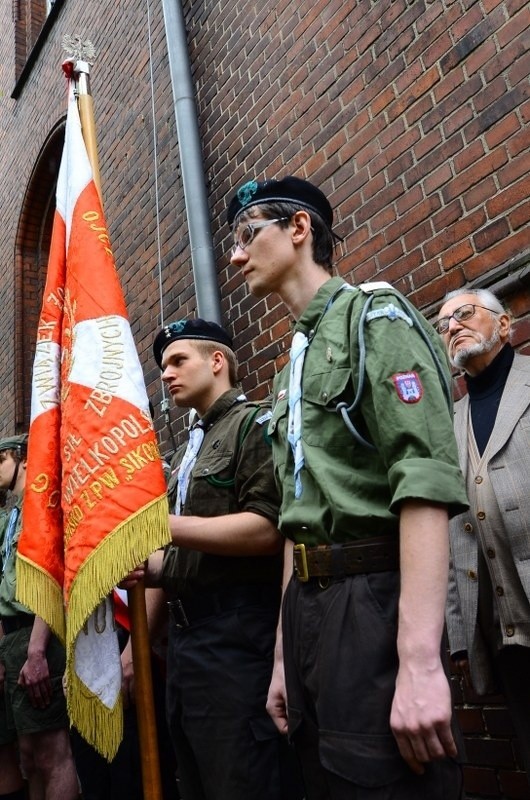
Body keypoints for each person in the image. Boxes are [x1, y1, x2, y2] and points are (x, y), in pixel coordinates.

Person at [227, 175, 469, 799]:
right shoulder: (290, 370)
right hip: (307, 609)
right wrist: (283, 654)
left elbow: (423, 481)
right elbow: (294, 518)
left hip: (371, 597)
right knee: (325, 775)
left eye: (249, 234)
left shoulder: (374, 320)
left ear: (299, 230)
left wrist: (418, 662)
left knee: (380, 777)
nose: (235, 255)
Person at [127, 318, 304, 800]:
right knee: (197, 781)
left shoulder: (253, 424)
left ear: (218, 362)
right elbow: (190, 555)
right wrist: (150, 565)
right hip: (187, 647)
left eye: (178, 361)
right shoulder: (192, 448)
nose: (166, 374)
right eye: (163, 365)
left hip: (237, 637)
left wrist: (161, 527)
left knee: (242, 779)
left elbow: (269, 528)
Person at [436, 288, 530, 783]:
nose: (452, 325)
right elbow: (453, 536)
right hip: (505, 633)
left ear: (505, 323)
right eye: (443, 321)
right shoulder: (450, 423)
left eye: (465, 313)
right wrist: (459, 631)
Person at [0, 434, 78, 799]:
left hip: (38, 634)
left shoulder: (42, 505)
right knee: (29, 757)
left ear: (23, 459)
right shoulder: (15, 512)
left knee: (51, 753)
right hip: (14, 637)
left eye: (1, 458)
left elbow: (51, 575)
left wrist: (36, 651)